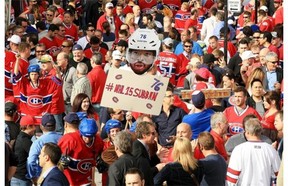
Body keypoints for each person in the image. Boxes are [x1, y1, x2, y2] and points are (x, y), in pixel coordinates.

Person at [226, 118, 280, 185]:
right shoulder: (270, 149)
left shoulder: (239, 149)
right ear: (260, 131)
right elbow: (278, 175)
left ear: (247, 132)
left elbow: (231, 179)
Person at [58, 118, 104, 185]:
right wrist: (60, 163)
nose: (87, 139)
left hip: (86, 179)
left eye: (90, 137)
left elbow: (94, 163)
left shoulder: (98, 142)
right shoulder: (70, 140)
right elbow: (55, 158)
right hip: (70, 180)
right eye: (85, 136)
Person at [26, 113, 62, 184]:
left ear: (41, 126)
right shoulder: (63, 139)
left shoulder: (38, 142)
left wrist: (33, 177)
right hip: (61, 175)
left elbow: (30, 161)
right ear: (55, 126)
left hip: (43, 177)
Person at [132, 121, 166, 185]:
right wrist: (157, 168)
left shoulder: (143, 145)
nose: (155, 135)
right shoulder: (138, 150)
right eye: (153, 133)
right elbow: (143, 173)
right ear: (144, 135)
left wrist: (156, 157)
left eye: (155, 132)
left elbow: (147, 164)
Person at [11, 115, 37, 186]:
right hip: (21, 179)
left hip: (16, 177)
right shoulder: (26, 141)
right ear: (28, 126)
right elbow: (35, 156)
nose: (35, 128)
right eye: (34, 126)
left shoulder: (20, 137)